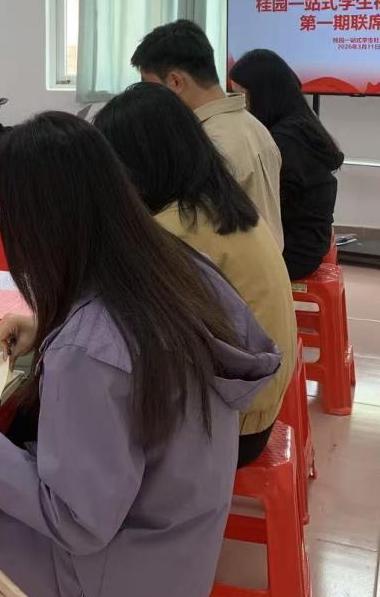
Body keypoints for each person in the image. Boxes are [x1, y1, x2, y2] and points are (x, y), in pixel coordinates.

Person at [0, 112, 280, 597]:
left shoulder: (88, 350)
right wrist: (49, 328)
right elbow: (138, 346)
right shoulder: (176, 264)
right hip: (183, 547)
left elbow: (77, 521)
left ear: (32, 224)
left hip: (122, 581)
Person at [94, 82, 297, 467]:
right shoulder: (212, 201)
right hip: (256, 404)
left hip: (232, 427)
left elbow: (122, 330)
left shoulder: (177, 230)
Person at [131, 20, 284, 249]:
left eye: (150, 88)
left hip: (225, 267)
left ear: (175, 81)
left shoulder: (207, 144)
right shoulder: (255, 127)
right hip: (264, 260)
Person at [230, 49, 346, 279]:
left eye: (240, 96)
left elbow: (266, 205)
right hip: (308, 243)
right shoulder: (299, 125)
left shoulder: (285, 140)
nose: (238, 105)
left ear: (262, 95)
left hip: (293, 252)